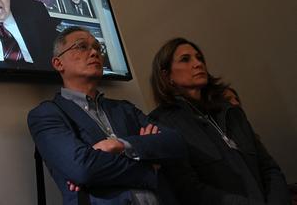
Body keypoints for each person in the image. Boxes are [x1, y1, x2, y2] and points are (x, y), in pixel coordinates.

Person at [28, 27, 186, 205]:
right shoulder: (47, 114)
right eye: (82, 46)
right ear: (58, 64)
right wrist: (150, 166)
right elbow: (83, 169)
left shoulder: (124, 108)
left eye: (98, 48)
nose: (94, 52)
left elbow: (175, 142)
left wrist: (119, 145)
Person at [148, 37, 290, 205]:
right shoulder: (163, 122)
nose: (198, 64)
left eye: (199, 58)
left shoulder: (231, 111)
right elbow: (187, 188)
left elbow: (269, 168)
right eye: (185, 59)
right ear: (166, 76)